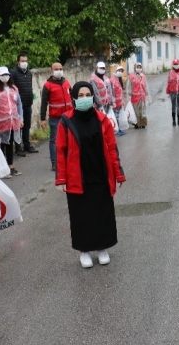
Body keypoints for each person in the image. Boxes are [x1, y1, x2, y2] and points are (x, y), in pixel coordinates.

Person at [55, 81, 126, 268]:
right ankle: (84, 251)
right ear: (74, 98)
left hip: (101, 177)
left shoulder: (102, 120)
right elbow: (60, 151)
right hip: (77, 178)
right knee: (82, 216)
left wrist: (118, 174)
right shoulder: (66, 121)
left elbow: (112, 148)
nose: (85, 98)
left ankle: (102, 248)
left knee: (102, 213)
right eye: (81, 95)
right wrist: (61, 178)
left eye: (88, 95)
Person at [0, 66, 24, 177]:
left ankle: (11, 166)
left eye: (7, 75)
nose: (5, 77)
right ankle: (2, 168)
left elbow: (19, 104)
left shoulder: (14, 88)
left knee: (10, 143)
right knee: (2, 145)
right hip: (1, 122)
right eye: (3, 75)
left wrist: (20, 118)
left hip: (13, 121)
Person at [40, 62, 73, 171]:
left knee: (69, 139)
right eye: (56, 69)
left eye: (60, 68)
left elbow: (72, 98)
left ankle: (68, 160)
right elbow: (44, 103)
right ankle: (55, 163)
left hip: (68, 116)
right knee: (54, 141)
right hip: (55, 117)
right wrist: (42, 118)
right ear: (52, 71)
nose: (59, 70)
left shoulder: (66, 82)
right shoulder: (47, 85)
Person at [10, 52, 37, 155]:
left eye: (26, 61)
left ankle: (27, 145)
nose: (24, 63)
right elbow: (12, 89)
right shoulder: (13, 73)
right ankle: (18, 148)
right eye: (22, 61)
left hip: (28, 103)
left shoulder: (29, 73)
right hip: (18, 106)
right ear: (18, 62)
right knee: (18, 127)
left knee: (27, 126)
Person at [129, 62, 149, 128]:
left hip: (142, 96)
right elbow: (129, 86)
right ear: (135, 68)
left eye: (140, 67)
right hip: (134, 96)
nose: (139, 69)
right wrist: (129, 94)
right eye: (137, 67)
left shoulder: (143, 76)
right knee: (136, 111)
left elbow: (145, 86)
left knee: (142, 111)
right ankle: (138, 123)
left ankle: (143, 124)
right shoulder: (131, 76)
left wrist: (147, 94)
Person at [110, 64, 125, 136]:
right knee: (116, 117)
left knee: (118, 116)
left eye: (122, 71)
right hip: (115, 103)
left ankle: (119, 129)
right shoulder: (112, 80)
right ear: (116, 71)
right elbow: (111, 92)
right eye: (119, 70)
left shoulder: (119, 79)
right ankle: (117, 130)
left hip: (119, 102)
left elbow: (121, 91)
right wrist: (113, 102)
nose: (120, 72)